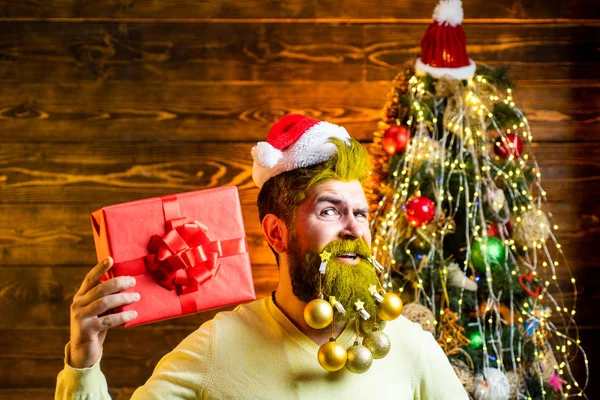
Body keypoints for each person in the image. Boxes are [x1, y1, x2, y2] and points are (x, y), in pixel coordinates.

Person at [55, 114, 468, 399]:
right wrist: (83, 361)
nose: (354, 228)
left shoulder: (412, 348)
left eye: (360, 213)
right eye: (330, 211)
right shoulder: (219, 346)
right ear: (276, 232)